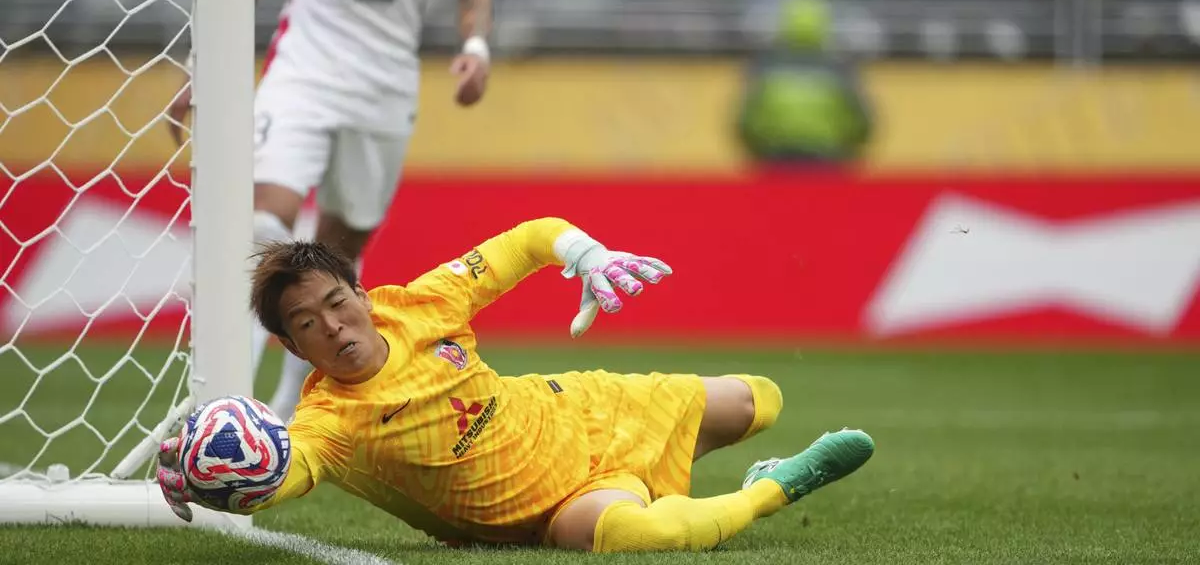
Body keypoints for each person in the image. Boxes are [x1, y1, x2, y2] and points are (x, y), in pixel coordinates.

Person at [156, 217, 876, 552]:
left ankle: (746, 459)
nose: (334, 328)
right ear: (290, 346)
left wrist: (586, 255)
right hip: (556, 508)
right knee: (644, 534)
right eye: (308, 324)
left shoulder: (424, 301)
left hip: (581, 412)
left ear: (361, 294)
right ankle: (774, 488)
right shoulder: (329, 424)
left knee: (761, 399)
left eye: (338, 303)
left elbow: (530, 239)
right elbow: (286, 472)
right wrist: (210, 475)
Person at [167, 0, 497, 421]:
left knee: (339, 259)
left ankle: (291, 409)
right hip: (303, 69)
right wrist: (204, 61)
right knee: (265, 219)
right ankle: (229, 390)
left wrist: (476, 48)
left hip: (385, 86)